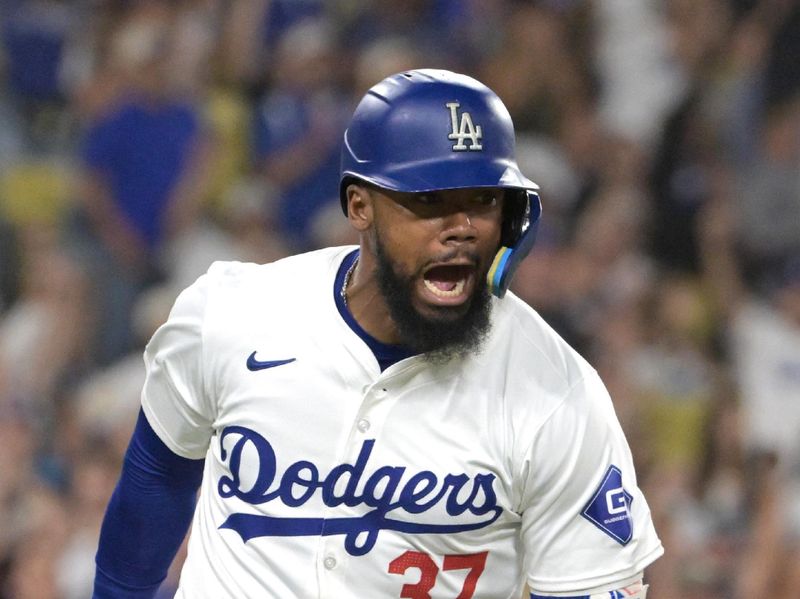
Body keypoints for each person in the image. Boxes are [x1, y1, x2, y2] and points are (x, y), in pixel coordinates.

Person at [93, 69, 663, 598]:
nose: (461, 229)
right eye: (429, 201)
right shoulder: (233, 315)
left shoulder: (556, 393)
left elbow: (593, 584)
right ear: (360, 206)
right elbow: (158, 479)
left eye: (483, 201)